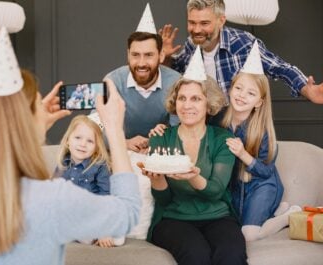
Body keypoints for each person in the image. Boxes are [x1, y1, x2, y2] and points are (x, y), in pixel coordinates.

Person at [0, 68, 141, 264]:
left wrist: (33, 127)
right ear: (24, 122)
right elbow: (127, 213)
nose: (44, 108)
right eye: (38, 104)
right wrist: (114, 129)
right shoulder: (52, 199)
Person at [141, 76, 247, 265]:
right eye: (182, 98)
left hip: (217, 216)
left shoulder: (222, 140)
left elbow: (215, 191)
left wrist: (193, 176)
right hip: (173, 219)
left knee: (231, 254)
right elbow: (163, 199)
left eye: (196, 99)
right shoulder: (161, 138)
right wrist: (156, 180)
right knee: (196, 255)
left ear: (209, 105)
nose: (187, 105)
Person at [160, 0, 323, 104]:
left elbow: (279, 67)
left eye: (204, 23)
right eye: (192, 23)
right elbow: (177, 73)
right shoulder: (191, 45)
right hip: (204, 123)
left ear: (221, 20)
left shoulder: (243, 42)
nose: (196, 29)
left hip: (237, 122)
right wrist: (166, 58)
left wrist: (307, 89)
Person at [222, 71, 302, 241]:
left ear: (259, 102)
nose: (242, 95)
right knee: (233, 226)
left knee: (248, 234)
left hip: (262, 185)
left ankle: (288, 215)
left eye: (251, 93)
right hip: (236, 188)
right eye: (238, 88)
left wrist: (243, 154)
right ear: (230, 89)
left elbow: (266, 171)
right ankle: (273, 211)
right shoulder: (220, 122)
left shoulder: (263, 131)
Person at [54, 115, 125, 247]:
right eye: (78, 138)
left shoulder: (100, 166)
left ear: (96, 147)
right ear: (68, 141)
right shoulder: (62, 164)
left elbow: (105, 197)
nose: (82, 144)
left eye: (90, 141)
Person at [105, 31, 181, 153]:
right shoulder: (112, 81)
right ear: (128, 55)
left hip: (162, 153)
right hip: (121, 151)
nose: (141, 63)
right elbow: (97, 126)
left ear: (161, 56)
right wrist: (125, 143)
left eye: (149, 55)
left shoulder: (176, 83)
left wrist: (157, 143)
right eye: (135, 55)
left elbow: (180, 129)